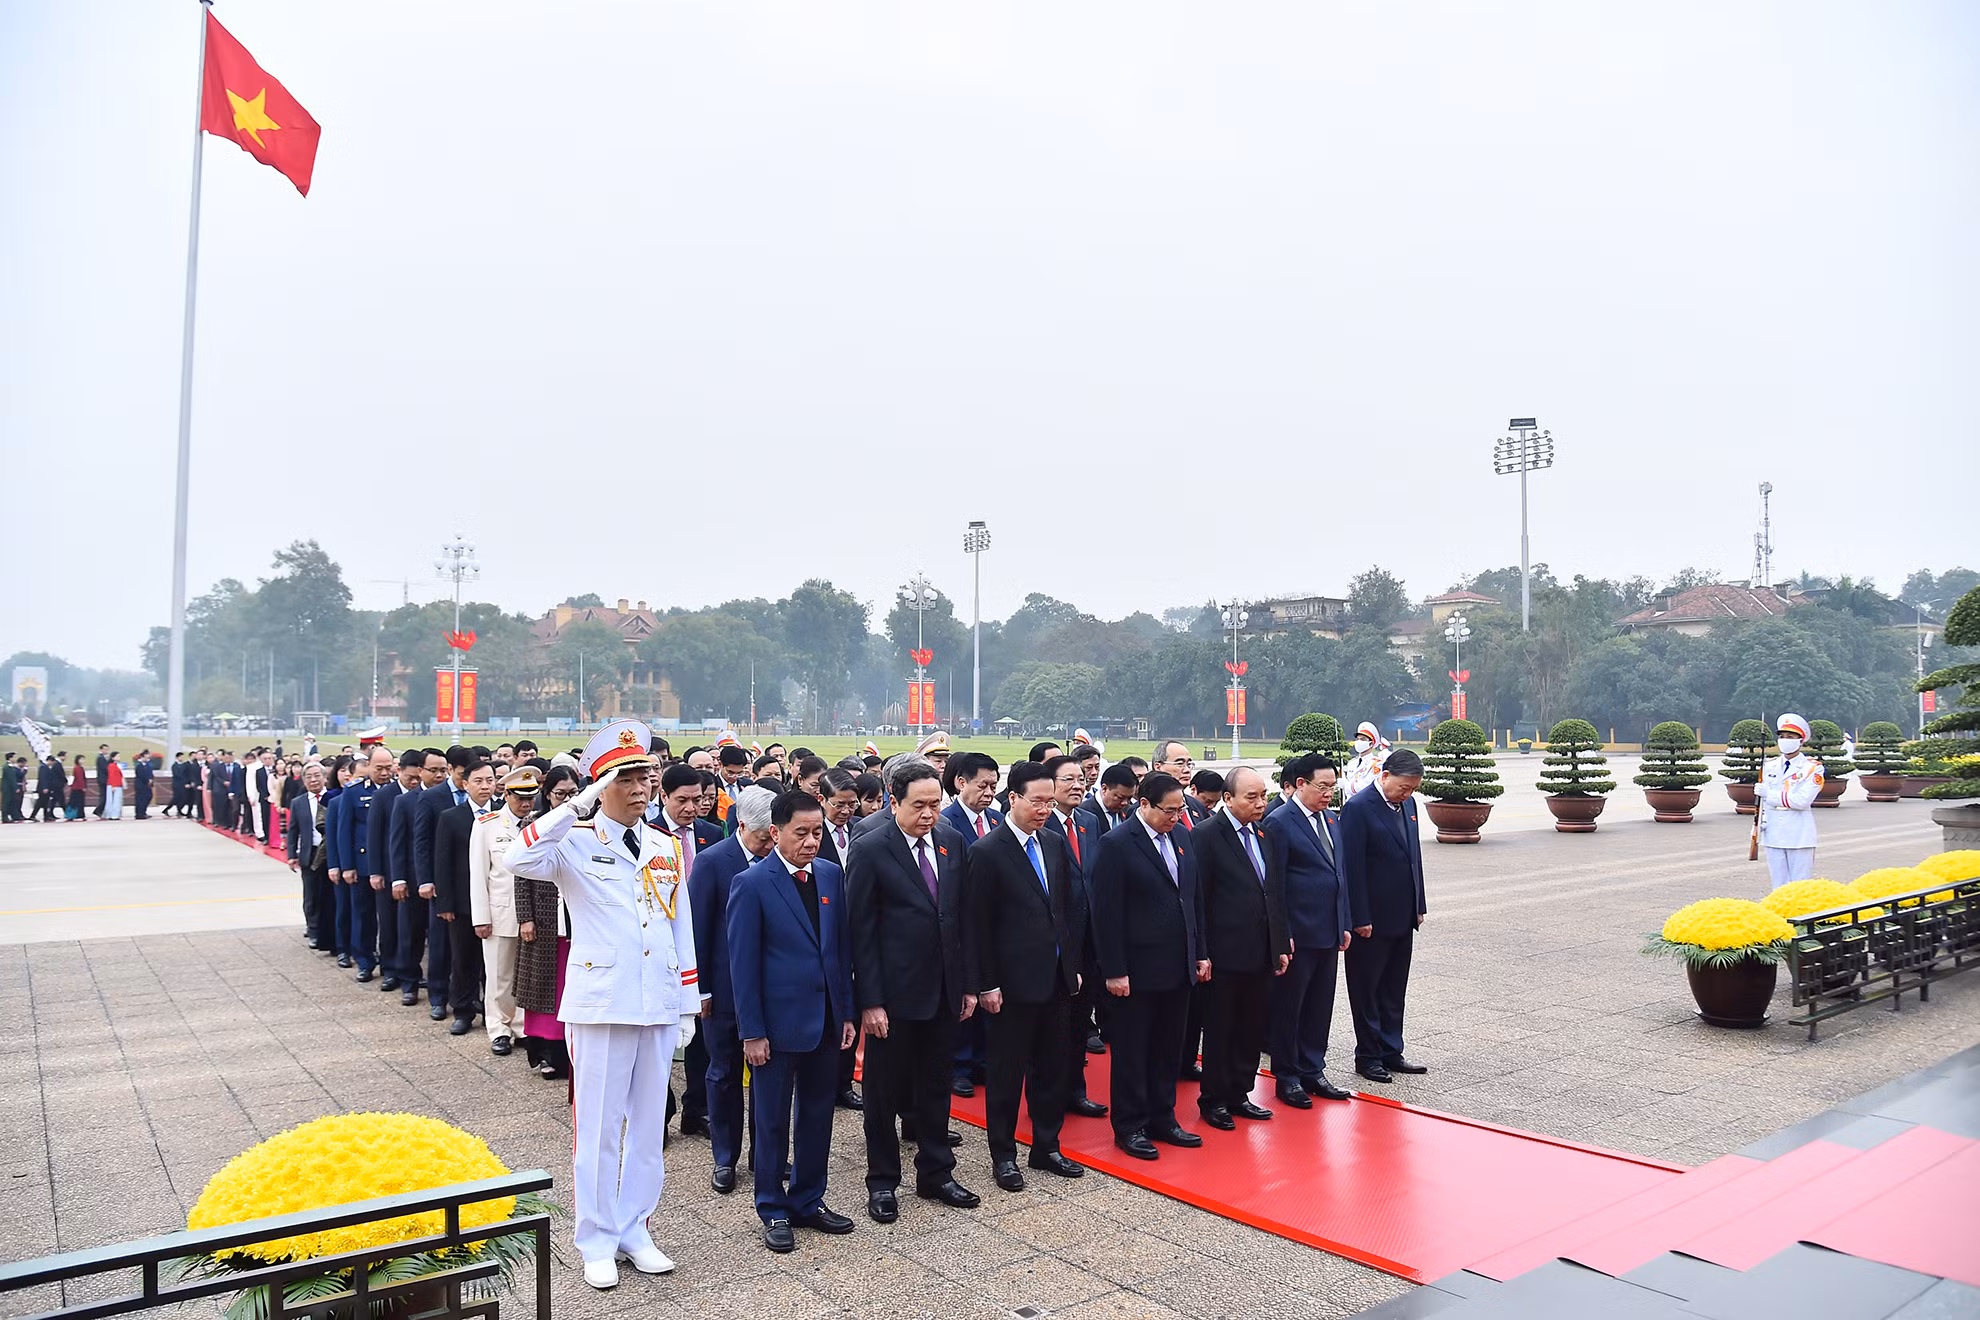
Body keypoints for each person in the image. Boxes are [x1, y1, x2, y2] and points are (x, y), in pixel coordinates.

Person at [505, 720, 702, 1289]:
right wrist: (581, 803)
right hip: (601, 1002)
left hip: (657, 998)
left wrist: (688, 1001)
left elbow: (678, 924)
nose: (641, 789)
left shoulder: (665, 845)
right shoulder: (573, 842)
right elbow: (520, 857)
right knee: (597, 1128)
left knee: (647, 1126)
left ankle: (636, 1226)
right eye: (627, 779)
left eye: (646, 777)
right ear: (602, 786)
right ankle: (594, 1236)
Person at [846, 759, 980, 1221]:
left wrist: (966, 986)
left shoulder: (951, 841)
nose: (929, 815)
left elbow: (961, 918)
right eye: (918, 806)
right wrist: (871, 1001)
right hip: (893, 997)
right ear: (893, 801)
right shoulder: (871, 848)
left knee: (936, 1086)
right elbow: (860, 931)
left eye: (935, 805)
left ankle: (936, 1171)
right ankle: (883, 1181)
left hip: (943, 990)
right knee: (883, 1093)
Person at [727, 790, 856, 1253]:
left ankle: (808, 1199)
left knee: (818, 1116)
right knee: (772, 1120)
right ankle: (772, 1206)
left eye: (817, 832)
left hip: (824, 1021)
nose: (810, 841)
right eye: (800, 833)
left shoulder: (829, 875)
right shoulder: (752, 883)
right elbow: (742, 967)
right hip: (775, 1027)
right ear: (774, 833)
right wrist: (752, 1031)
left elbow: (838, 952)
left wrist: (845, 1013)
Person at [969, 759, 1088, 1192]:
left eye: (1047, 801)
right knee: (1006, 1071)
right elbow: (977, 924)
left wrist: (1071, 966)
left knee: (1052, 1066)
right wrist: (986, 982)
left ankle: (1046, 1145)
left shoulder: (1054, 844)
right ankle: (1003, 1154)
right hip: (1011, 984)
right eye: (1034, 801)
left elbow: (1065, 910)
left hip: (1056, 977)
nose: (1042, 809)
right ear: (1012, 798)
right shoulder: (987, 851)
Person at [1090, 771, 1206, 1161]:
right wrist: (1114, 969)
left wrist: (1200, 952)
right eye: (1168, 810)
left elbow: (1192, 900)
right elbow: (1106, 913)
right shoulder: (1116, 844)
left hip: (1178, 966)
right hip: (1136, 969)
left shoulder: (1182, 836)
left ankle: (1163, 1117)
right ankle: (1131, 1125)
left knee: (1168, 1048)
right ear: (1143, 805)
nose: (1175, 817)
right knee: (1133, 1050)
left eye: (1180, 810)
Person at [681, 784, 776, 1183]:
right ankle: (725, 1156)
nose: (769, 845)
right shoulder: (712, 862)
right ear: (741, 826)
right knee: (723, 1073)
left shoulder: (783, 858)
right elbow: (697, 931)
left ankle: (765, 1155)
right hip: (723, 991)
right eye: (761, 837)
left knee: (769, 1078)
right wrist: (699, 990)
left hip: (771, 990)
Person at [1194, 767, 1291, 1129]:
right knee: (1222, 1028)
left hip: (1260, 950)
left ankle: (1240, 1091)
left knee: (1251, 1027)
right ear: (1227, 798)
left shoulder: (1264, 833)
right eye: (1251, 797)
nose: (1260, 803)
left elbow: (1274, 892)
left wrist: (1279, 943)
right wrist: (1202, 952)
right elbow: (1199, 898)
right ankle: (1214, 1098)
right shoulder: (1206, 836)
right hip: (1224, 953)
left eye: (1263, 795)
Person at [1261, 753, 1353, 1106]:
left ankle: (1313, 1069)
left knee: (1319, 1006)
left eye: (1333, 786)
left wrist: (1343, 920)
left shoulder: (1330, 819)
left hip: (1328, 930)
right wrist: (1282, 934)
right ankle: (1287, 1076)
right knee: (1290, 1007)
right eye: (1322, 786)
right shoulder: (1280, 822)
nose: (1329, 793)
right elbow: (1275, 884)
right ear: (1300, 784)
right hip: (1298, 934)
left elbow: (1337, 873)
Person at [1340, 748, 1429, 1085]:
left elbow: (1413, 857)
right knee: (1368, 989)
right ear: (1385, 774)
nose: (1407, 794)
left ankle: (1392, 1050)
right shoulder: (1359, 809)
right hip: (1370, 921)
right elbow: (1352, 867)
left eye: (1412, 789)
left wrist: (1419, 902)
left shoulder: (1408, 805)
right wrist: (1358, 916)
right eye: (1403, 787)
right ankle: (1369, 1055)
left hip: (1402, 916)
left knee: (1394, 988)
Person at [1040, 754, 1107, 1118]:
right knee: (1053, 1026)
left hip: (1088, 937)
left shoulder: (1089, 821)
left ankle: (1074, 1091)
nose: (1078, 785)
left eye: (1081, 778)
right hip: (1056, 939)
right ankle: (1047, 1097)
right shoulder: (1040, 823)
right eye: (1068, 779)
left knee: (1080, 1020)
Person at [514, 765, 581, 1080]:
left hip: (577, 919)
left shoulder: (585, 825)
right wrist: (525, 918)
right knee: (543, 989)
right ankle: (545, 1054)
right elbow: (520, 877)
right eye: (560, 794)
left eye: (573, 793)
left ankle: (572, 1053)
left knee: (570, 987)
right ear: (547, 794)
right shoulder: (533, 824)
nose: (567, 799)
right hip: (543, 920)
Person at [471, 766, 533, 1054]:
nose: (526, 803)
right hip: (500, 913)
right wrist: (481, 917)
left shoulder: (538, 824)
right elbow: (479, 875)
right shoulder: (487, 825)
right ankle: (498, 1028)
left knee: (526, 974)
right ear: (506, 794)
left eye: (531, 796)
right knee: (499, 975)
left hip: (532, 914)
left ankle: (522, 1025)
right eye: (520, 797)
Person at [435, 760, 499, 1036]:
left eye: (489, 780)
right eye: (478, 781)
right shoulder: (451, 817)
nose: (485, 786)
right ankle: (462, 1010)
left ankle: (491, 1011)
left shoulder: (502, 815)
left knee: (494, 963)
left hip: (496, 899)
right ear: (465, 784)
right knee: (463, 958)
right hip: (462, 902)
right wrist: (445, 903)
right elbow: (442, 863)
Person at [414, 748, 475, 1020]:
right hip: (443, 882)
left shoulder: (482, 799)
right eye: (462, 775)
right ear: (453, 771)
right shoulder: (431, 798)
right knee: (440, 943)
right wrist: (426, 880)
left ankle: (470, 997)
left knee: (468, 949)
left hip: (472, 883)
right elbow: (423, 843)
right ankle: (438, 996)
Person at [392, 750, 448, 1006]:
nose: (438, 775)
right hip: (414, 879)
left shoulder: (451, 798)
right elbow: (399, 843)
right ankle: (409, 982)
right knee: (411, 933)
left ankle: (440, 987)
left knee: (439, 939)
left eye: (442, 770)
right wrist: (399, 879)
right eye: (433, 770)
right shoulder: (405, 801)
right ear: (420, 771)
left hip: (443, 880)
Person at [334, 747, 392, 982]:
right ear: (368, 766)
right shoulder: (354, 792)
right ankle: (365, 961)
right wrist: (347, 865)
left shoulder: (397, 790)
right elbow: (344, 831)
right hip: (363, 864)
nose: (384, 773)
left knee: (389, 919)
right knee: (363, 915)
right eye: (379, 768)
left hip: (389, 865)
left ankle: (390, 964)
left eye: (389, 768)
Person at [367, 751, 422, 995]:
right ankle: (390, 969)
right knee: (388, 923)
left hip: (415, 869)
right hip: (389, 871)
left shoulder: (424, 796)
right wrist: (376, 871)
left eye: (417, 778)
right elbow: (375, 835)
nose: (414, 782)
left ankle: (410, 970)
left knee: (410, 927)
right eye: (410, 777)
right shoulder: (384, 796)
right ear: (400, 771)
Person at [1758, 713, 1824, 886]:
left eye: (1790, 737)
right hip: (1773, 831)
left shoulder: (1812, 769)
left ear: (1801, 740)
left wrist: (1769, 795)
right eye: (1782, 736)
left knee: (1800, 885)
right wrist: (1759, 823)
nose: (1785, 740)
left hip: (1798, 833)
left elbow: (1802, 801)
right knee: (1778, 884)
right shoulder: (1769, 766)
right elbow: (1762, 805)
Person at [287, 763, 334, 949]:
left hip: (330, 852)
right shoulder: (298, 803)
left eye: (317, 776)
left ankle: (330, 932)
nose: (313, 780)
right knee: (311, 896)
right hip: (310, 853)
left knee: (330, 895)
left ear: (324, 778)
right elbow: (293, 831)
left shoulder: (333, 798)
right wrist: (292, 855)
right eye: (309, 776)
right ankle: (313, 930)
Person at [940, 752, 1004, 842]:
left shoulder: (999, 819)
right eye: (982, 786)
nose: (989, 793)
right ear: (962, 783)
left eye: (993, 787)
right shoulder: (945, 822)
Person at [1082, 763, 1138, 832]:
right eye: (1120, 797)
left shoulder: (1129, 812)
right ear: (1104, 789)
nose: (1125, 803)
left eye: (1129, 798)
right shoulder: (1083, 814)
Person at [1343, 722, 1391, 799]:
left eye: (1362, 739)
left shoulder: (1377, 764)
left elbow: (1364, 787)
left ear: (1371, 744)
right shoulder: (1352, 763)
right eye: (1357, 739)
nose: (1358, 742)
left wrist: (1345, 785)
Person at [101, 751, 125, 821]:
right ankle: (113, 815)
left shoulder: (116, 765)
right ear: (113, 758)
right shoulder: (111, 765)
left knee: (116, 800)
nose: (119, 758)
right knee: (114, 801)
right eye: (117, 756)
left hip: (117, 785)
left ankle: (115, 814)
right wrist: (113, 785)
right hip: (114, 785)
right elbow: (112, 776)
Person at [132, 750, 154, 820]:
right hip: (141, 785)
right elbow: (140, 775)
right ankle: (139, 814)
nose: (148, 757)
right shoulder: (139, 765)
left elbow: (150, 773)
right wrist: (147, 780)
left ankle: (143, 812)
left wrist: (151, 779)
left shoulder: (148, 764)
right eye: (146, 756)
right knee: (140, 800)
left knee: (149, 797)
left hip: (148, 785)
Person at [67, 754, 88, 820]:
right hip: (77, 788)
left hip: (77, 787)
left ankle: (76, 815)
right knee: (78, 802)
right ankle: (77, 815)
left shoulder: (79, 767)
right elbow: (79, 778)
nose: (82, 761)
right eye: (81, 759)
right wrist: (83, 787)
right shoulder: (77, 768)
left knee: (77, 802)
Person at [93, 744, 109, 818]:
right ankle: (98, 810)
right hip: (103, 779)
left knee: (104, 796)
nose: (106, 751)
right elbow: (105, 769)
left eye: (107, 749)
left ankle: (100, 810)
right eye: (105, 749)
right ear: (101, 749)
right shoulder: (100, 758)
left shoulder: (103, 758)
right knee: (103, 796)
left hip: (104, 779)